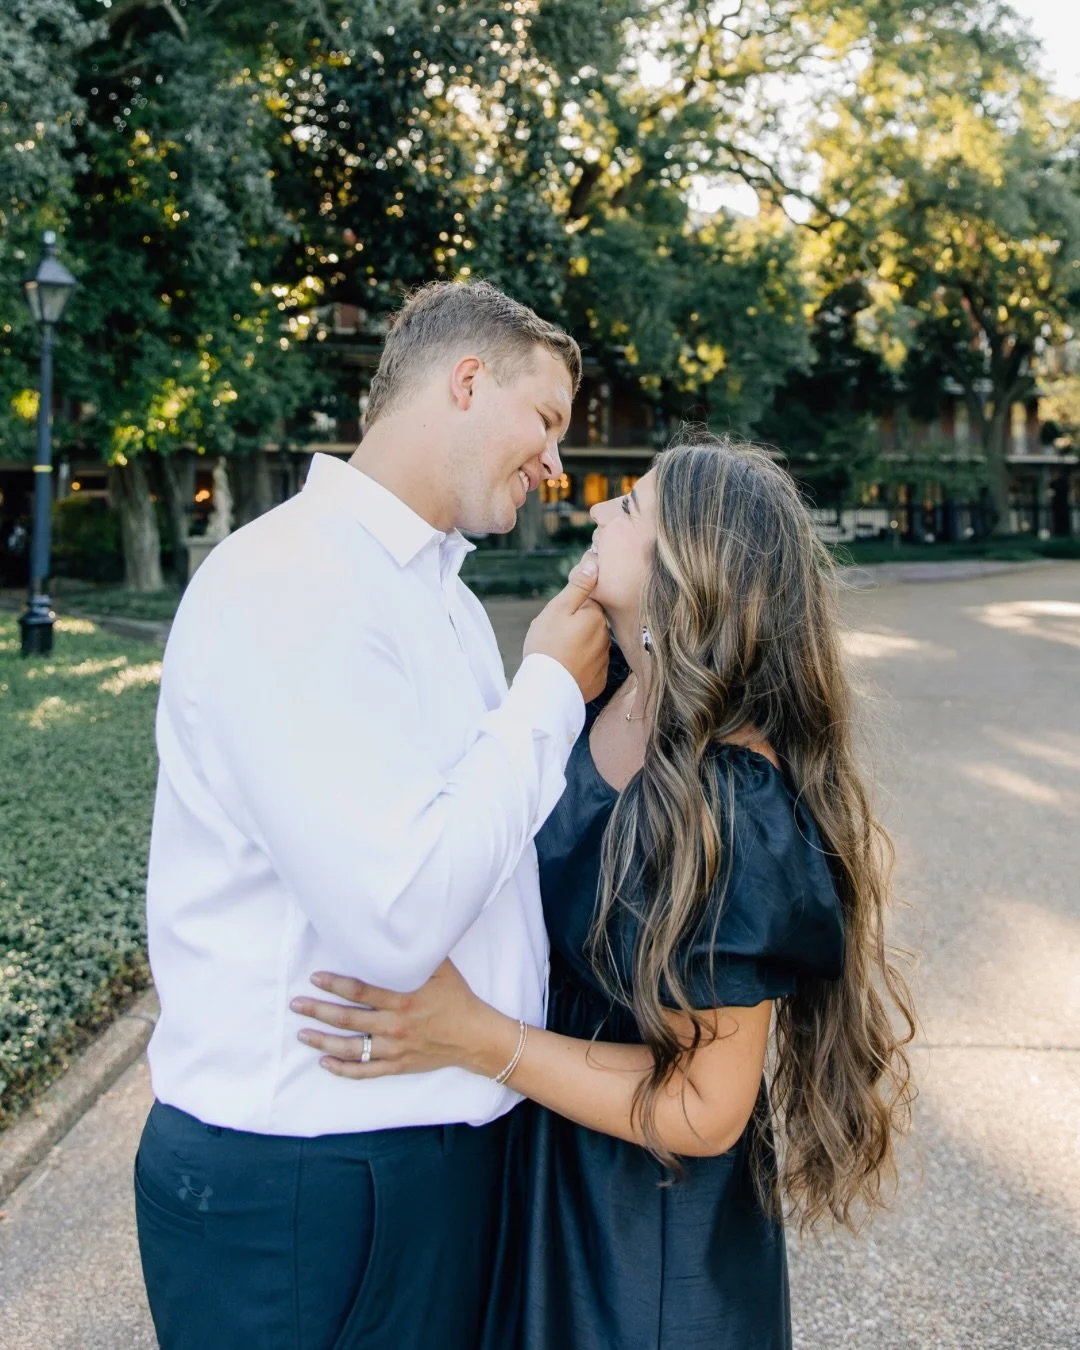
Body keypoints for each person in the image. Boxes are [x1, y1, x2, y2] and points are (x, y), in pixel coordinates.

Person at [292, 435, 917, 1350]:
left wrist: (477, 1038)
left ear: (684, 569)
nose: (593, 510)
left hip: (640, 1237)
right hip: (535, 1168)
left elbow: (706, 1108)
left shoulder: (732, 800)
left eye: (628, 507)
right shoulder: (598, 694)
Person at [133, 280, 611, 1350]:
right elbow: (394, 920)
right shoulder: (298, 581)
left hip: (418, 1158)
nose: (555, 466)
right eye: (545, 421)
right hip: (313, 1181)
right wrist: (548, 693)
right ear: (468, 380)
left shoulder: (430, 593)